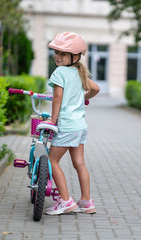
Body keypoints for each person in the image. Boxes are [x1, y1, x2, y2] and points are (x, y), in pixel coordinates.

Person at [45, 32, 100, 215]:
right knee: (79, 163)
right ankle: (86, 202)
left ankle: (65, 201)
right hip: (80, 127)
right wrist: (83, 99)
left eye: (62, 54)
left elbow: (57, 98)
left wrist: (52, 120)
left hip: (67, 126)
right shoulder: (78, 71)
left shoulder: (60, 72)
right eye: (56, 53)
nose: (57, 57)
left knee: (52, 160)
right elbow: (95, 88)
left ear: (74, 57)